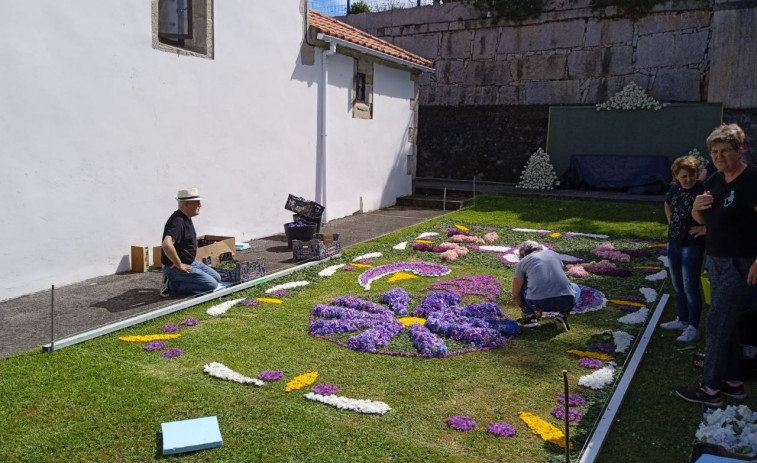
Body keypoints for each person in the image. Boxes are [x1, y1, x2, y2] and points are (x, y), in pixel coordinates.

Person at [675, 124, 757, 407]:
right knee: (728, 323)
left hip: (741, 262)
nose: (719, 156)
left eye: (724, 150)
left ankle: (709, 389)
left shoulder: (752, 180)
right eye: (714, 151)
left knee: (718, 322)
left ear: (739, 150)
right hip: (717, 259)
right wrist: (696, 208)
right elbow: (702, 222)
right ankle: (733, 382)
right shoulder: (714, 182)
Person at [659, 156, 706, 342]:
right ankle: (683, 319)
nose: (688, 179)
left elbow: (715, 212)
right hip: (674, 242)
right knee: (677, 284)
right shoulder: (674, 189)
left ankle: (693, 326)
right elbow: (667, 204)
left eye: (691, 175)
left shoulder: (702, 190)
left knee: (690, 285)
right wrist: (671, 223)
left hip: (692, 245)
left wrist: (705, 228)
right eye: (684, 176)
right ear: (676, 176)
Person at [160, 188, 221, 297]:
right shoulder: (177, 221)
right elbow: (166, 244)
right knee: (211, 285)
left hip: (191, 262)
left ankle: (180, 280)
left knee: (218, 278)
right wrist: (178, 264)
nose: (200, 205)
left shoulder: (186, 217)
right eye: (197, 202)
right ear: (187, 204)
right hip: (175, 268)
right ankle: (171, 286)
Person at [512, 240, 581, 332]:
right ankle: (562, 315)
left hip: (539, 301)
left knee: (524, 284)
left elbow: (516, 294)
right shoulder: (554, 254)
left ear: (523, 254)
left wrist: (524, 309)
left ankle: (530, 317)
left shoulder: (523, 261)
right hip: (565, 300)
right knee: (575, 287)